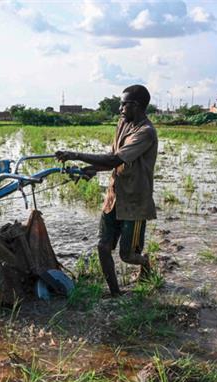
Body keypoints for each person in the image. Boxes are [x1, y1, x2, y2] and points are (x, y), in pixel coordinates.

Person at [55, 84, 158, 297]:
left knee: (127, 255)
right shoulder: (122, 124)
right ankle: (114, 293)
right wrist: (90, 170)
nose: (120, 108)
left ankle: (145, 263)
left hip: (135, 202)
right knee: (103, 247)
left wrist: (76, 155)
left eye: (124, 104)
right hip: (114, 196)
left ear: (136, 106)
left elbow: (115, 159)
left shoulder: (146, 133)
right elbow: (112, 159)